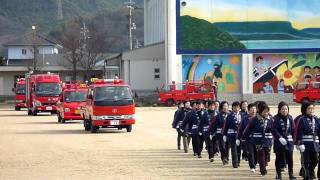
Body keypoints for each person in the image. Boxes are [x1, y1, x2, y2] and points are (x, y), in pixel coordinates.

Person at [243, 101, 273, 176]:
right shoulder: (254, 119)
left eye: (267, 112)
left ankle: (264, 165)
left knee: (266, 155)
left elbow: (274, 129)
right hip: (258, 141)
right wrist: (243, 137)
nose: (266, 113)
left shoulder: (271, 119)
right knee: (261, 155)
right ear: (260, 111)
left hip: (268, 141)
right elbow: (248, 129)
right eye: (264, 112)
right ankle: (263, 170)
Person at [296, 102, 320, 180]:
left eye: (312, 109)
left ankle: (310, 171)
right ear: (305, 109)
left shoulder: (316, 119)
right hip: (305, 144)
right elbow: (299, 132)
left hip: (315, 144)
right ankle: (306, 176)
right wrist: (300, 143)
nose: (311, 110)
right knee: (305, 162)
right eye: (309, 108)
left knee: (315, 160)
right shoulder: (301, 119)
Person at [272, 102, 296, 179]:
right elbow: (273, 129)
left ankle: (291, 174)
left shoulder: (290, 118)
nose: (284, 111)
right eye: (282, 109)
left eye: (286, 109)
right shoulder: (275, 118)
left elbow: (293, 130)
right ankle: (278, 174)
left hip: (289, 142)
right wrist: (279, 137)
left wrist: (295, 140)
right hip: (279, 142)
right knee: (278, 158)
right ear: (279, 110)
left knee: (290, 158)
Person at [238, 103, 257, 173]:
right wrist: (238, 138)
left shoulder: (259, 118)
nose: (253, 111)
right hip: (248, 139)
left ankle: (254, 164)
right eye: (252, 110)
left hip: (257, 139)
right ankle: (252, 166)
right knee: (250, 153)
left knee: (256, 153)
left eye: (255, 109)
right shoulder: (245, 119)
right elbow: (240, 129)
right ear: (248, 111)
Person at [223, 101, 243, 168]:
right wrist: (224, 134)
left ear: (239, 108)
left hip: (240, 135)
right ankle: (235, 163)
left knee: (239, 149)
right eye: (235, 107)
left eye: (237, 107)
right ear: (232, 108)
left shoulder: (242, 115)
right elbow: (226, 126)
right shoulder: (229, 116)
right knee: (233, 149)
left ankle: (238, 161)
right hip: (231, 135)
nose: (236, 108)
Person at [209, 101, 230, 165]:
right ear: (221, 107)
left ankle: (227, 157)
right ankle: (224, 158)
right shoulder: (218, 116)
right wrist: (211, 133)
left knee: (227, 147)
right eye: (224, 106)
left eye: (226, 106)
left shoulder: (230, 115)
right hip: (220, 133)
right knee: (222, 146)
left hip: (229, 133)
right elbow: (213, 125)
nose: (225, 107)